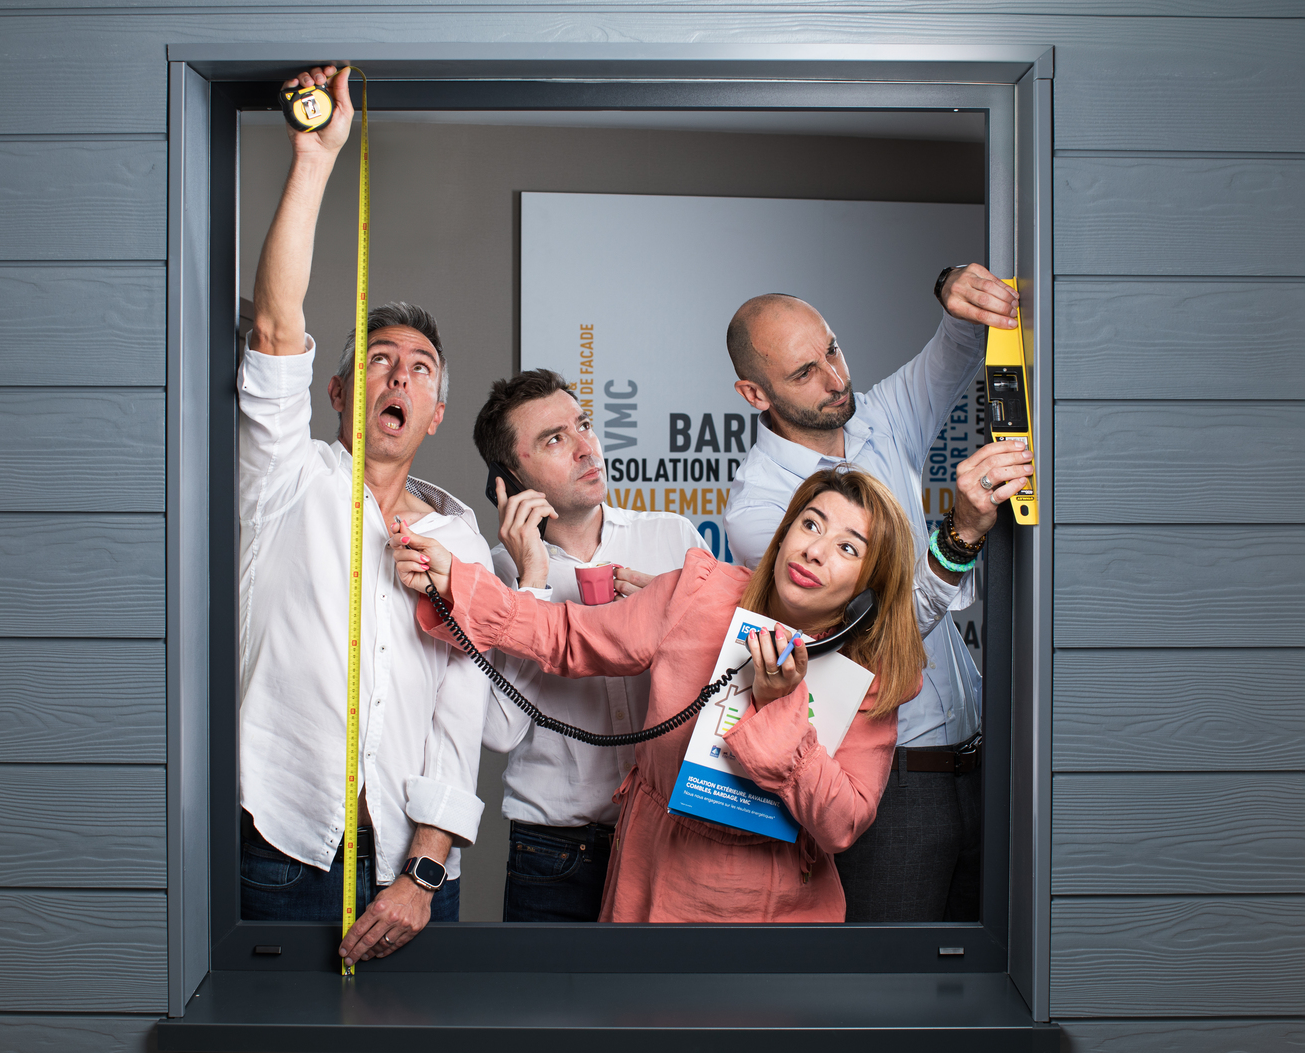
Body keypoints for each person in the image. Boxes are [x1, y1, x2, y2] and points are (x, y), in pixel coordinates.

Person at [389, 466, 996, 922]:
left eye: (848, 547)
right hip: (656, 879)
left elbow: (842, 824)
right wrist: (457, 585)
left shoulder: (871, 673)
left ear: (868, 584)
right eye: (811, 524)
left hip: (777, 911)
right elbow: (566, 636)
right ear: (785, 531)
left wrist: (780, 708)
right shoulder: (699, 592)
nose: (815, 549)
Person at [236, 65, 493, 967]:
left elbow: (460, 726)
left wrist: (422, 876)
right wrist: (313, 159)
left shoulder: (464, 544)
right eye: (379, 359)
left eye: (420, 368)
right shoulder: (284, 479)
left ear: (435, 415)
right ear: (340, 392)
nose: (399, 375)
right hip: (278, 847)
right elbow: (274, 332)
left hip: (413, 871)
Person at [721, 267, 1035, 922]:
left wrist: (952, 290)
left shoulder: (876, 418)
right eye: (803, 372)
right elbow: (877, 630)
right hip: (890, 792)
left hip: (980, 765)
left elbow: (953, 349)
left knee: (991, 984)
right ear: (754, 392)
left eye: (832, 350)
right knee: (891, 995)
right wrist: (960, 535)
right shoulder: (761, 510)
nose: (835, 380)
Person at [471, 368, 706, 921]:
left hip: (673, 838)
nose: (585, 448)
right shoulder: (494, 575)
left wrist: (678, 617)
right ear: (509, 478)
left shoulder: (672, 538)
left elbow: (733, 680)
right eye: (555, 439)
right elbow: (499, 732)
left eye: (583, 425)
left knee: (667, 1010)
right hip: (554, 854)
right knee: (550, 1010)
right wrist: (532, 585)